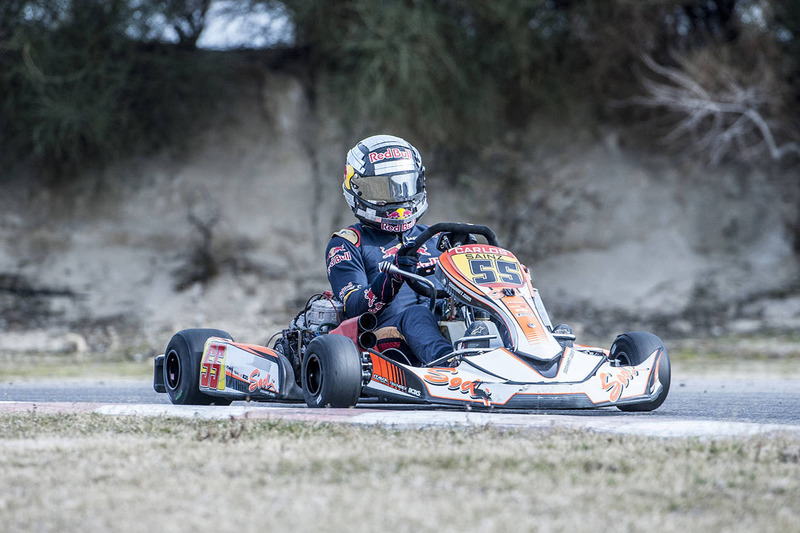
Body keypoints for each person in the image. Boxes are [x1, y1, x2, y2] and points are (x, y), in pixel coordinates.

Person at [325, 134, 454, 365]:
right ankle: (450, 365)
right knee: (417, 315)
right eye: (382, 189)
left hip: (444, 329)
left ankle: (533, 355)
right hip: (382, 342)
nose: (398, 197)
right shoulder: (348, 243)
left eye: (404, 185)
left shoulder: (437, 238)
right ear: (357, 188)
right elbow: (353, 306)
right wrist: (391, 278)